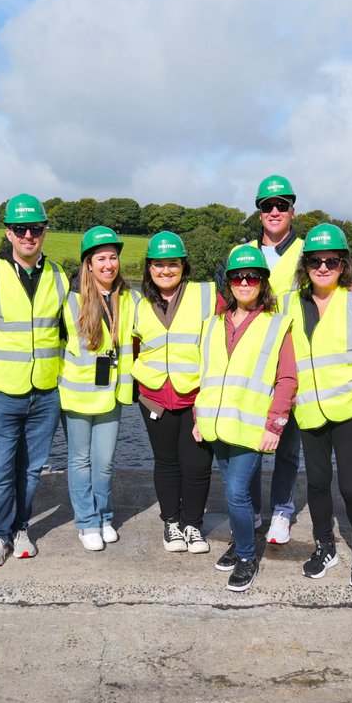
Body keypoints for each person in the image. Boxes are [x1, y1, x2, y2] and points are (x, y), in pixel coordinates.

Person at [282, 224, 352, 588]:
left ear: (343, 264)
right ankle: (324, 546)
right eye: (315, 261)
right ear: (306, 265)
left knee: (351, 486)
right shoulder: (290, 303)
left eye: (331, 261)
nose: (323, 268)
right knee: (316, 483)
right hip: (310, 411)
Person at [0, 194, 69, 566]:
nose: (29, 235)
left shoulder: (59, 276)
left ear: (44, 231)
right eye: (21, 229)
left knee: (30, 469)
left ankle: (21, 527)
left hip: (44, 391)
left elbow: (69, 329)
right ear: (8, 232)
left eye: (36, 229)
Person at [195, 246, 296, 592]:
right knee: (233, 493)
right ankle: (241, 543)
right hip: (216, 424)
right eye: (237, 277)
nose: (244, 282)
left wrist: (275, 424)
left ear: (263, 283)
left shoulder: (276, 324)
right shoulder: (212, 324)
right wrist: (198, 416)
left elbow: (287, 380)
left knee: (237, 493)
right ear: (229, 283)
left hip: (251, 426)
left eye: (252, 277)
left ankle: (247, 556)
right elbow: (205, 374)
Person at [232, 175, 305, 546]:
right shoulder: (242, 252)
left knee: (288, 446)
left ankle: (282, 511)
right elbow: (225, 303)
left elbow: (333, 286)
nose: (274, 211)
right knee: (251, 443)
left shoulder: (308, 253)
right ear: (259, 212)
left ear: (293, 210)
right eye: (267, 206)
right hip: (251, 366)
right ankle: (253, 507)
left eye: (281, 205)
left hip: (293, 361)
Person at [132, 231, 215, 555]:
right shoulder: (138, 303)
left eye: (173, 264)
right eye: (159, 264)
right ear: (149, 268)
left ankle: (193, 524)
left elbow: (249, 297)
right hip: (153, 396)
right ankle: (171, 523)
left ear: (184, 265)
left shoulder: (206, 295)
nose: (166, 270)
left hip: (195, 395)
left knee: (196, 464)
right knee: (166, 462)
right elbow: (133, 342)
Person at [60, 226, 136, 551]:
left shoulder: (128, 297)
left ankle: (104, 516)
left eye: (113, 257)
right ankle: (87, 522)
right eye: (101, 258)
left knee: (104, 461)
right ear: (88, 263)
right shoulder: (70, 297)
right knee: (80, 461)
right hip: (76, 395)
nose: (108, 264)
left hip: (111, 394)